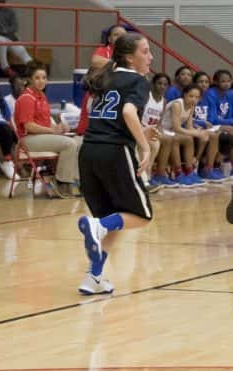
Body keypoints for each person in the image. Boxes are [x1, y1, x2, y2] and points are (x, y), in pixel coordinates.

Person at [76, 32, 155, 295]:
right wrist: (143, 143)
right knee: (141, 215)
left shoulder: (105, 77)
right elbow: (128, 111)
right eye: (145, 51)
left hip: (88, 151)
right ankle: (98, 228)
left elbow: (94, 113)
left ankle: (94, 277)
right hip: (114, 151)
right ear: (130, 57)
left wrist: (137, 132)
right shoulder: (137, 80)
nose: (151, 56)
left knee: (113, 217)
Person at [14, 62, 81, 198]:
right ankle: (61, 182)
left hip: (41, 137)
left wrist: (60, 128)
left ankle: (74, 182)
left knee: (79, 142)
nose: (41, 81)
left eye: (44, 78)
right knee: (69, 144)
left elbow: (45, 123)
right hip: (29, 140)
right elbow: (29, 126)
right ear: (30, 79)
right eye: (37, 78)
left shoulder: (42, 97)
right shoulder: (27, 98)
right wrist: (53, 131)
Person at [160, 85, 208, 186]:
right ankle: (178, 172)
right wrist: (195, 133)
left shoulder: (192, 106)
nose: (194, 99)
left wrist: (199, 132)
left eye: (197, 97)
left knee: (188, 139)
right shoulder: (177, 104)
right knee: (175, 139)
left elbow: (189, 127)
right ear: (185, 95)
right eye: (191, 96)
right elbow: (177, 127)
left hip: (172, 131)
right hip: (162, 130)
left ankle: (189, 171)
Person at [0, 0, 33, 78]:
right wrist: (4, 31)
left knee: (20, 49)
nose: (1, 3)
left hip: (9, 36)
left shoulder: (10, 10)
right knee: (1, 41)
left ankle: (33, 67)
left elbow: (15, 26)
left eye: (2, 2)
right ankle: (5, 66)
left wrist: (7, 32)